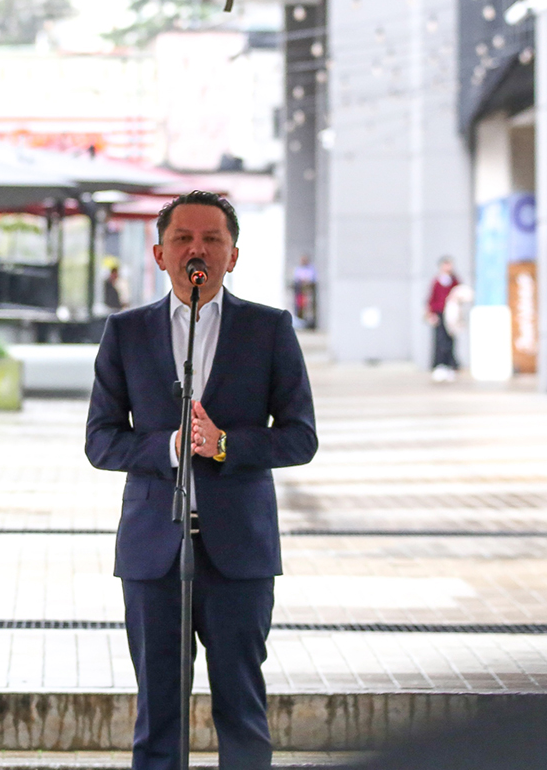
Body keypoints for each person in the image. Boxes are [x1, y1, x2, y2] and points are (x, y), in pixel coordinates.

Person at [85, 190, 317, 770]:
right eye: (183, 238)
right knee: (157, 716)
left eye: (212, 239)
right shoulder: (126, 331)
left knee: (241, 709)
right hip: (152, 551)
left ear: (233, 255)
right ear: (160, 253)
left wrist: (226, 445)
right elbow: (100, 440)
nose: (198, 249)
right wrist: (169, 447)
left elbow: (299, 437)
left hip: (240, 551)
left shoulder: (269, 330)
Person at [426, 256, 460, 382]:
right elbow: (432, 299)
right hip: (440, 313)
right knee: (439, 340)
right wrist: (431, 313)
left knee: (450, 340)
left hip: (451, 314)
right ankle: (439, 366)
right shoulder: (437, 281)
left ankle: (450, 365)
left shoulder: (454, 281)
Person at [291, 254, 317, 328]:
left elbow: (313, 279)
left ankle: (310, 324)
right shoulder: (298, 269)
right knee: (299, 308)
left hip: (309, 291)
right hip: (300, 291)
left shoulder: (311, 269)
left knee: (309, 309)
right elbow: (296, 278)